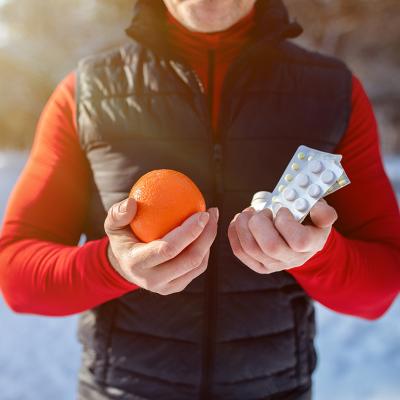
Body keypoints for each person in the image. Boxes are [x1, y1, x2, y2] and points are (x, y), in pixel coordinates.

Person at [0, 0, 399, 398]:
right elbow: (17, 279)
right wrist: (112, 266)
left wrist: (318, 254)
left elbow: (382, 285)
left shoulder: (333, 93)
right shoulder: (85, 96)